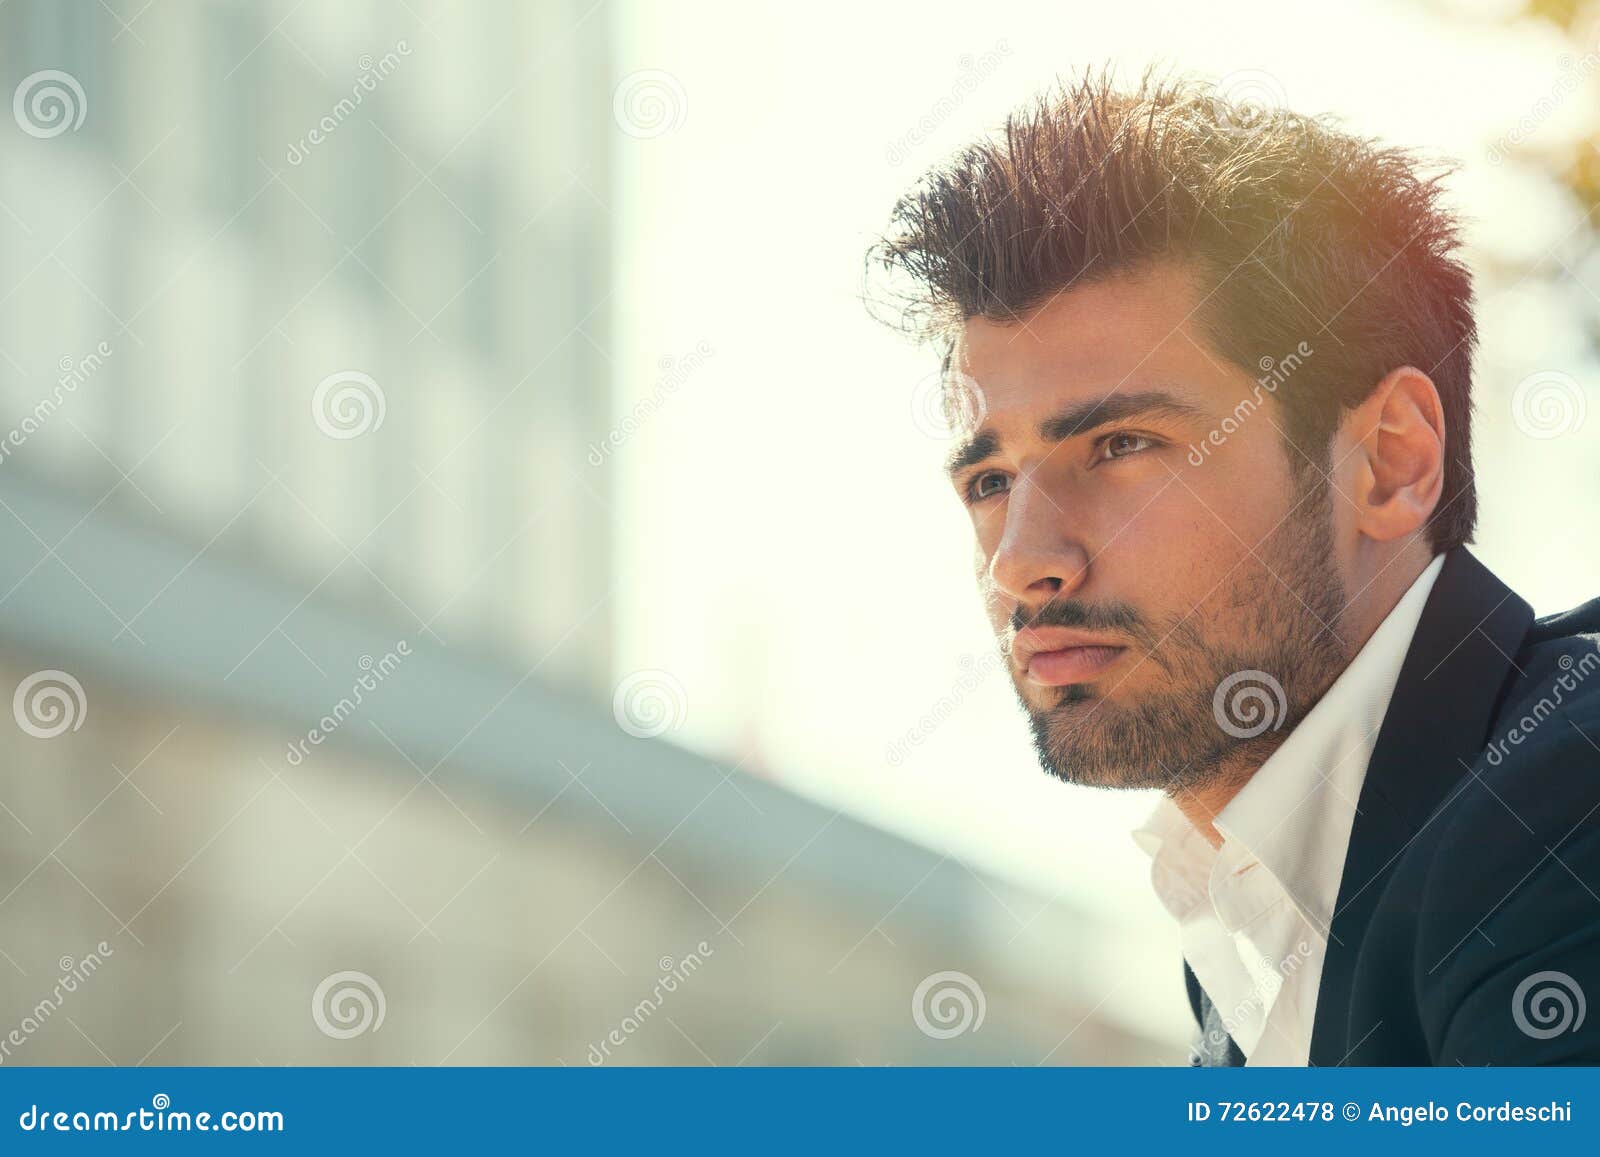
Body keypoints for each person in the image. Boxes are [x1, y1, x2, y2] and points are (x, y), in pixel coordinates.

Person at [867, 71, 1600, 1065]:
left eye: (1121, 446)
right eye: (990, 480)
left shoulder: (1563, 808)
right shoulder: (1251, 941)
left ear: (1390, 460)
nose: (1021, 563)